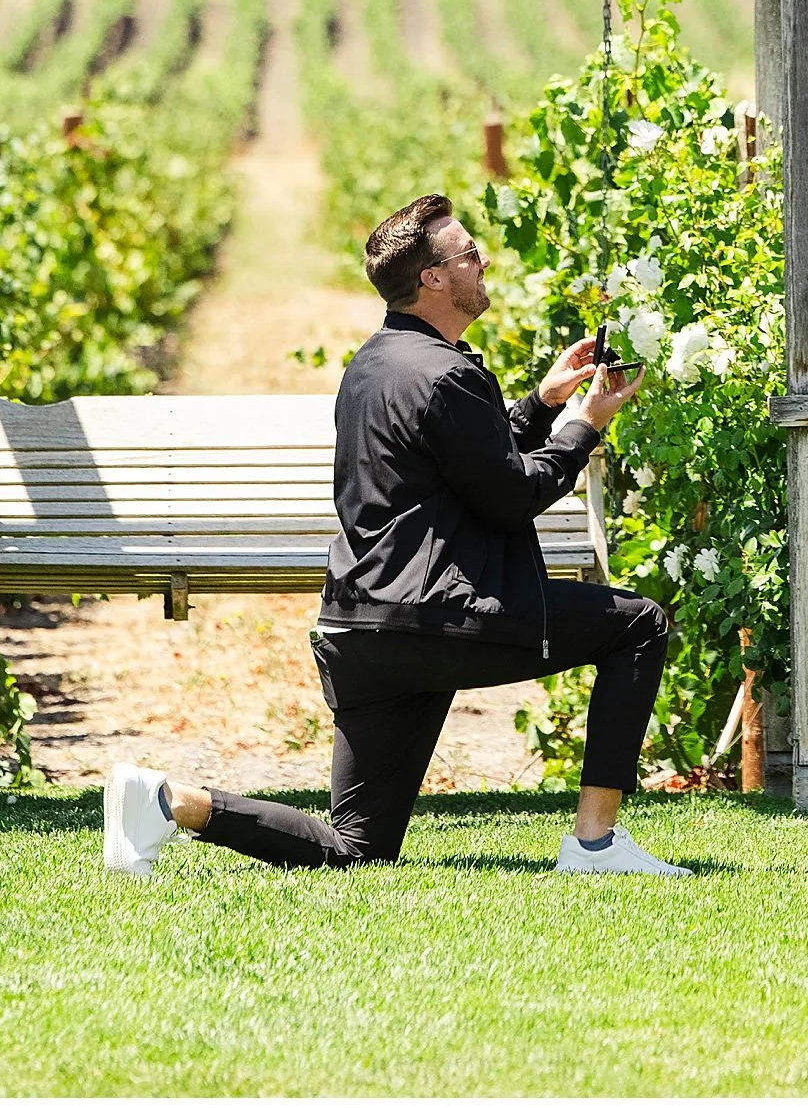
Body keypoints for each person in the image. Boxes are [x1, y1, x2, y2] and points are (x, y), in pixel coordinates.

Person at [103, 193, 687, 880]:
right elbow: (513, 496)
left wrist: (544, 403)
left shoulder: (372, 364)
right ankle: (595, 845)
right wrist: (586, 423)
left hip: (361, 628)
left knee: (356, 846)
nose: (483, 262)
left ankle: (167, 801)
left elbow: (470, 462)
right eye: (470, 253)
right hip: (435, 623)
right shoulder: (448, 373)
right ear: (433, 277)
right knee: (638, 625)